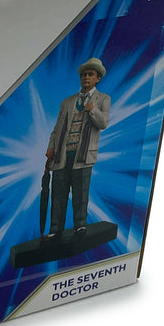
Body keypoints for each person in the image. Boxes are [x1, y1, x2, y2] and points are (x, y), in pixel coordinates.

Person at [45, 57, 110, 238]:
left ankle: (80, 226)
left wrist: (92, 110)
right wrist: (51, 148)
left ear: (97, 78)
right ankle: (55, 229)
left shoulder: (103, 99)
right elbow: (57, 128)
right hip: (62, 154)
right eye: (84, 74)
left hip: (83, 155)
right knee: (58, 193)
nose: (86, 77)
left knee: (81, 192)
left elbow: (103, 123)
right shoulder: (67, 101)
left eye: (90, 74)